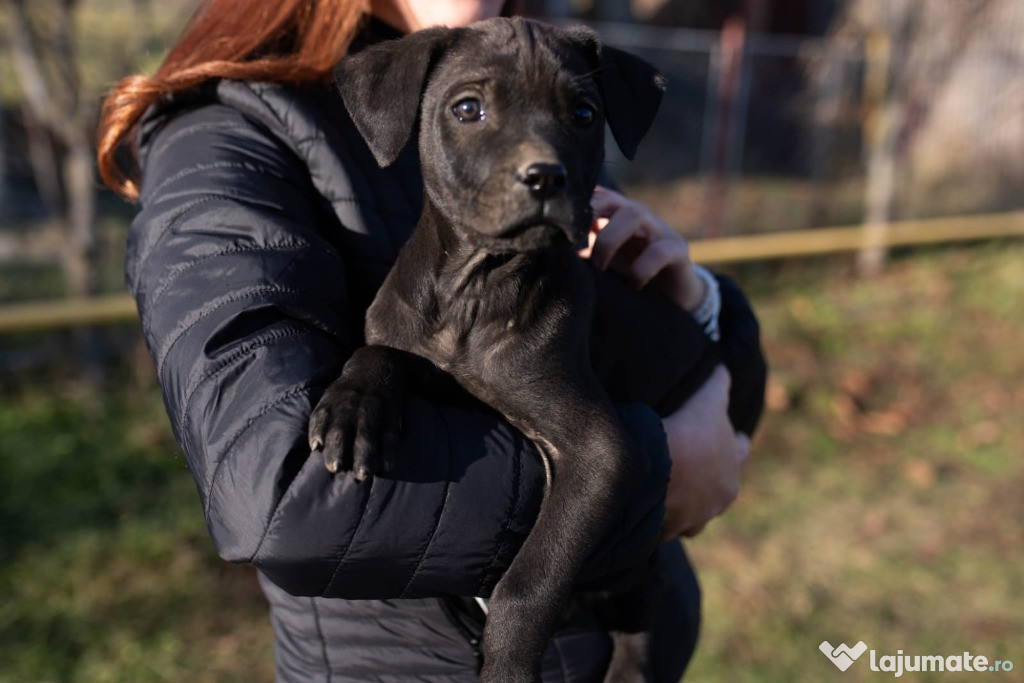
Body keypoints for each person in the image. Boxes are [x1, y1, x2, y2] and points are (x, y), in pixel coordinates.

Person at [97, 1, 766, 680]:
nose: (539, 155)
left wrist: (699, 299)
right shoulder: (225, 140)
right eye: (470, 111)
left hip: (633, 637)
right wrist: (662, 470)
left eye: (581, 119)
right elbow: (277, 498)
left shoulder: (542, 66)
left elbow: (679, 351)